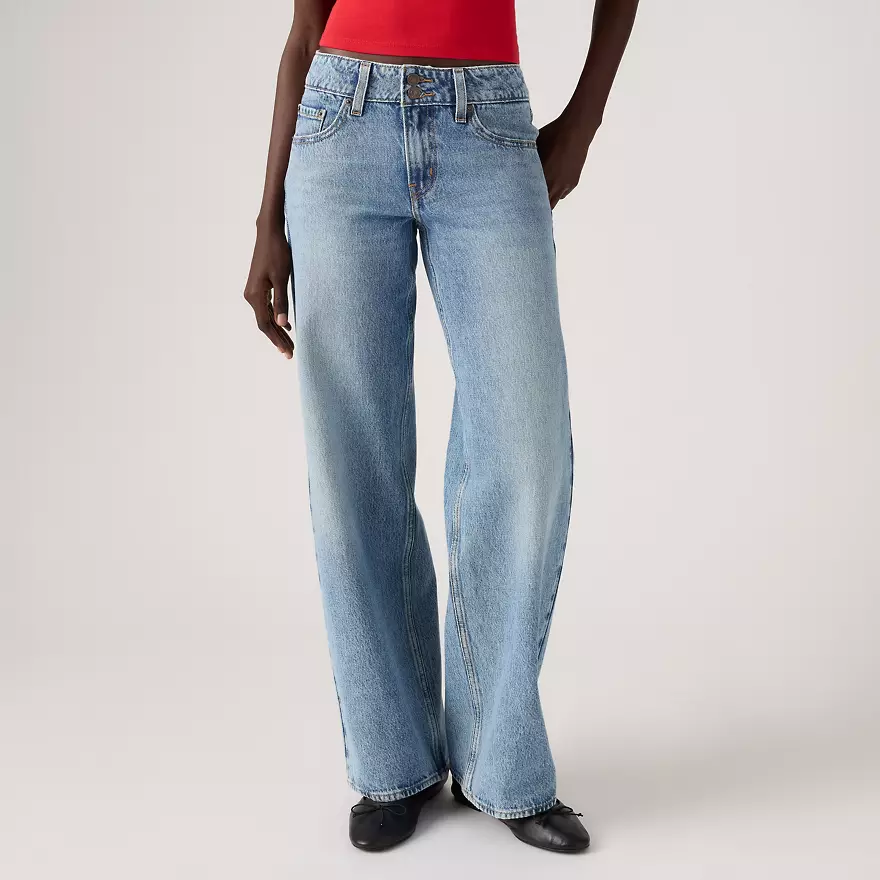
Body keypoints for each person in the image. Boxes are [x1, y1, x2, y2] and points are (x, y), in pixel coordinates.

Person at [244, 0, 639, 854]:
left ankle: (501, 764)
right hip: (340, 124)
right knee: (351, 467)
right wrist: (267, 219)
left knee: (527, 447)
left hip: (485, 127)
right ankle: (395, 762)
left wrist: (584, 122)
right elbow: (306, 31)